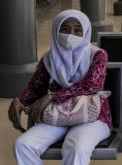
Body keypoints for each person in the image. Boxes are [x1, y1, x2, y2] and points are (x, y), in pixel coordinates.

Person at [10, 10, 111, 165]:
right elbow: (35, 88)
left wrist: (53, 96)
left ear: (86, 32)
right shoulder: (49, 59)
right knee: (23, 145)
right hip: (57, 114)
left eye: (78, 30)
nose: (71, 34)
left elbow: (91, 85)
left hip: (91, 116)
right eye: (64, 29)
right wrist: (20, 100)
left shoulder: (97, 55)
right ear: (56, 30)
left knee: (76, 147)